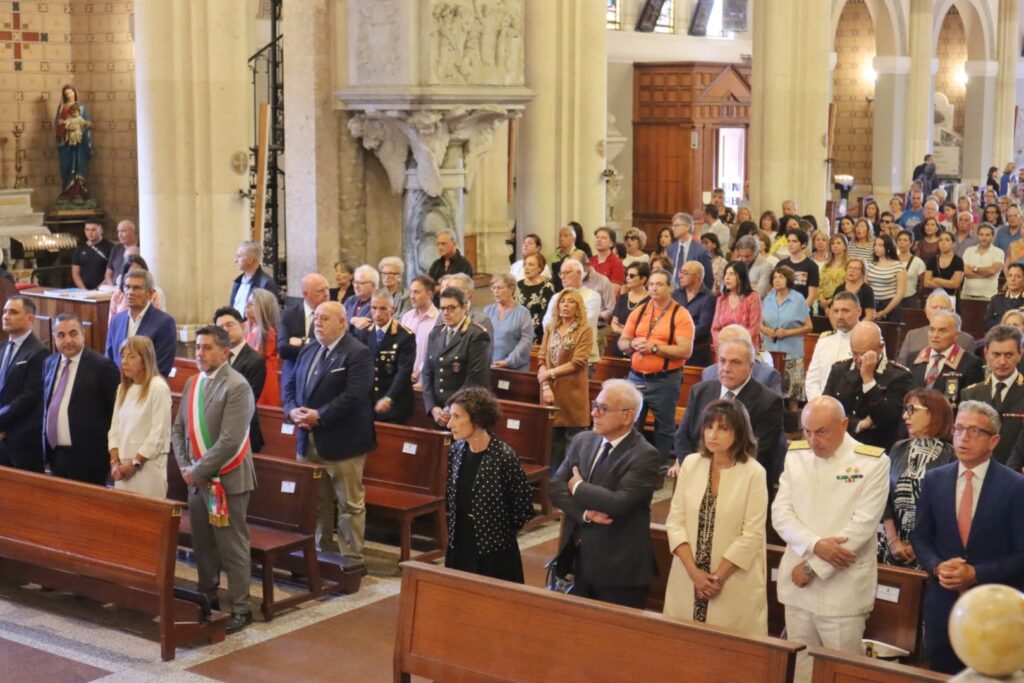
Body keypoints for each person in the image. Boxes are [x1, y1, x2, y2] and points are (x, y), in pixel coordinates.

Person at [772, 396, 890, 683]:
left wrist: (814, 567)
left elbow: (862, 527)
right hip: (798, 583)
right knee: (800, 668)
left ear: (844, 424)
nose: (813, 440)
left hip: (841, 587)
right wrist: (814, 545)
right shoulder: (796, 455)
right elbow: (781, 513)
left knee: (842, 672)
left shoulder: (873, 462)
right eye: (807, 431)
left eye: (821, 432)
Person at [912, 401, 1024, 674]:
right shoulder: (935, 479)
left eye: (974, 431)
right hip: (944, 605)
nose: (963, 437)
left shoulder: (1015, 487)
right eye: (959, 429)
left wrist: (975, 573)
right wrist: (937, 566)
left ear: (994, 440)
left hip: (997, 610)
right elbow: (921, 537)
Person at [171, 325, 257, 635]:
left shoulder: (237, 386)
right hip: (197, 480)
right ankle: (207, 599)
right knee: (203, 545)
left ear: (224, 352)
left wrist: (196, 471)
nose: (199, 353)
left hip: (228, 480)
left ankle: (240, 607)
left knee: (231, 546)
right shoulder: (193, 383)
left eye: (207, 348)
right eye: (197, 347)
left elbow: (230, 440)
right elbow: (178, 429)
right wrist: (185, 466)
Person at [548, 379, 662, 608]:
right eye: (595, 405)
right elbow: (555, 486)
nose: (593, 413)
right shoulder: (583, 440)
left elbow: (617, 502)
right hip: (579, 560)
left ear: (628, 416)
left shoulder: (644, 455)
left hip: (619, 569)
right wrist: (585, 514)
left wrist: (579, 487)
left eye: (603, 408)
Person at [664, 400, 767, 636]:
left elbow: (752, 534)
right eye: (709, 427)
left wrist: (715, 579)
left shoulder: (754, 473)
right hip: (687, 576)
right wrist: (694, 573)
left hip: (731, 581)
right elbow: (675, 521)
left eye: (722, 428)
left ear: (739, 433)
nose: (713, 435)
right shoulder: (691, 463)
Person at [282, 302, 376, 560]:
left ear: (342, 323)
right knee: (316, 504)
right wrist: (291, 411)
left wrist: (319, 416)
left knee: (349, 505)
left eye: (325, 319)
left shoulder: (358, 353)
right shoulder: (309, 349)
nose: (318, 323)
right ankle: (320, 556)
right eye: (317, 319)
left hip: (343, 443)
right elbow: (289, 385)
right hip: (308, 440)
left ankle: (351, 561)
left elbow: (355, 396)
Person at [443, 386, 534, 582]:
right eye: (450, 416)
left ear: (477, 419)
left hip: (493, 549)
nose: (450, 424)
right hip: (459, 541)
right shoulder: (456, 450)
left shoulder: (503, 456)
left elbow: (522, 508)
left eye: (457, 417)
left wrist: (496, 532)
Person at [673, 336, 784, 485]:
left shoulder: (768, 402)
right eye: (722, 361)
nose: (726, 368)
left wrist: (718, 474)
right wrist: (695, 469)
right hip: (696, 475)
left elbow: (757, 451)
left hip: (740, 481)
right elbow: (682, 436)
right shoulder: (699, 391)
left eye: (735, 362)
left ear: (751, 367)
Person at [617, 269, 695, 460]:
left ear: (670, 287)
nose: (654, 288)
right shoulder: (640, 311)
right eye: (651, 284)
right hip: (636, 376)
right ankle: (630, 465)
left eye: (659, 284)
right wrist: (631, 345)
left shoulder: (681, 314)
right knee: (630, 424)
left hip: (664, 379)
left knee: (664, 428)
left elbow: (685, 350)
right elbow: (622, 342)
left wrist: (654, 348)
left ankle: (658, 468)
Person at [878, 388, 955, 567]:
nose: (905, 416)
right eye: (906, 410)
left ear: (934, 413)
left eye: (912, 409)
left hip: (932, 551)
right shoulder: (899, 448)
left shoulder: (950, 455)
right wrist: (893, 540)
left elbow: (948, 510)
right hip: (892, 547)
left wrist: (919, 547)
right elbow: (884, 497)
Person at [43, 312, 120, 485]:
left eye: (73, 333)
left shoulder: (102, 367)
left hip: (89, 458)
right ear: (54, 338)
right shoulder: (49, 363)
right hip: (56, 455)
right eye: (61, 335)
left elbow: (116, 413)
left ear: (83, 334)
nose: (68, 340)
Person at [823, 321, 912, 451]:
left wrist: (868, 379)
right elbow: (827, 412)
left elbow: (885, 419)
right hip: (841, 445)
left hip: (875, 449)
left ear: (881, 347)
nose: (858, 359)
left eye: (864, 354)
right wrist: (858, 424)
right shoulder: (839, 370)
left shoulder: (899, 376)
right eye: (854, 353)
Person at [108, 336, 172, 498]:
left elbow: (158, 434)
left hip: (147, 468)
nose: (125, 361)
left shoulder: (158, 387)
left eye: (131, 357)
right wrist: (115, 463)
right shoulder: (123, 388)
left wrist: (135, 464)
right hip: (122, 468)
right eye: (123, 356)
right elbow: (114, 429)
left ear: (145, 359)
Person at [539, 289, 593, 473]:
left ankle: (571, 484)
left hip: (572, 395)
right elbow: (541, 359)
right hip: (550, 394)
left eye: (571, 302)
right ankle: (553, 486)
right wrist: (545, 386)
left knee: (573, 444)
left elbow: (577, 363)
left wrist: (549, 374)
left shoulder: (584, 330)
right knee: (552, 444)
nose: (565, 305)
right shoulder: (551, 328)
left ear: (578, 308)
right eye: (563, 301)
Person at [421, 287, 491, 427]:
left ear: (464, 307)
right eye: (443, 308)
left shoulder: (476, 335)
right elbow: (427, 373)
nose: (446, 313)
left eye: (452, 308)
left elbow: (474, 378)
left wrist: (449, 408)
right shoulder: (436, 333)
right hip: (438, 413)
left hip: (464, 410)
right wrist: (433, 408)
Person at [351, 289, 416, 424]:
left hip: (394, 404)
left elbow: (403, 372)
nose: (377, 314)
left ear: (392, 309)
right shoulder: (364, 333)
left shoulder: (404, 336)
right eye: (374, 308)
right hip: (369, 403)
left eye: (383, 309)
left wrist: (388, 398)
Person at [963, 325, 1024, 465]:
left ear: (1020, 354)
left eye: (1009, 355)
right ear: (986, 353)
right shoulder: (971, 393)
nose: (1002, 361)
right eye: (996, 354)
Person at [105, 269, 177, 378]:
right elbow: (109, 358)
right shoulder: (116, 320)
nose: (130, 292)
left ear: (150, 293)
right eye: (127, 287)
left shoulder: (164, 322)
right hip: (118, 388)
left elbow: (162, 366)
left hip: (148, 389)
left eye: (137, 288)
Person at [215, 306, 266, 453]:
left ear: (243, 326)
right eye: (220, 328)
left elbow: (248, 398)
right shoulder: (216, 358)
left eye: (229, 325)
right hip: (218, 430)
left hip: (244, 431)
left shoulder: (255, 360)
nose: (225, 330)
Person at [907, 310, 984, 406]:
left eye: (942, 331)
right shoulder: (914, 357)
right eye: (932, 329)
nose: (935, 335)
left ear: (956, 336)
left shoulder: (971, 364)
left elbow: (970, 406)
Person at [761, 265, 811, 411]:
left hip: (791, 353)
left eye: (781, 277)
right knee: (770, 390)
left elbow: (809, 327)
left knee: (792, 393)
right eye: (775, 277)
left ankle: (793, 426)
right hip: (770, 352)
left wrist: (787, 332)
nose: (777, 280)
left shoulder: (798, 299)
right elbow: (759, 323)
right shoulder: (768, 298)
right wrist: (765, 330)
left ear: (788, 279)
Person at [542, 259, 602, 364]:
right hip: (556, 356)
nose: (562, 276)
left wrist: (560, 326)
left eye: (567, 272)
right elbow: (547, 323)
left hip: (582, 358)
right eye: (561, 273)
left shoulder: (593, 296)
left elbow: (585, 323)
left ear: (579, 273)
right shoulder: (556, 297)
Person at [897, 291, 976, 366]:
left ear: (952, 311)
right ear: (926, 312)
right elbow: (901, 367)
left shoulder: (966, 340)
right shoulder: (912, 336)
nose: (938, 311)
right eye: (934, 307)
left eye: (943, 308)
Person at [805, 292, 859, 401]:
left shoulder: (869, 340)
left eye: (845, 311)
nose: (839, 316)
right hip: (822, 406)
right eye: (836, 311)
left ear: (859, 311)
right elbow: (812, 380)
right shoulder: (824, 340)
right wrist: (821, 405)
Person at [277, 272, 331, 379]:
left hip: (322, 376)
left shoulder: (334, 314)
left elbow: (330, 349)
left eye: (327, 289)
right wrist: (316, 346)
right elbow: (283, 349)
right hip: (294, 376)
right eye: (320, 290)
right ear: (305, 294)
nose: (326, 294)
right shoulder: (289, 315)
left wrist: (303, 342)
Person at [484, 274, 533, 371]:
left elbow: (526, 341)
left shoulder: (523, 313)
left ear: (512, 289)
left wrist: (509, 361)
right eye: (493, 288)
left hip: (514, 369)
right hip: (490, 367)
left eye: (500, 288)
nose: (496, 292)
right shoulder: (488, 311)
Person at [672, 260, 716, 367]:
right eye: (680, 272)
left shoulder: (709, 298)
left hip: (697, 351)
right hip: (674, 348)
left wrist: (678, 336)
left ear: (696, 277)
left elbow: (703, 328)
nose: (680, 276)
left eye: (685, 273)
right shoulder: (676, 294)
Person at [710, 261, 762, 351]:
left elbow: (754, 328)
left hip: (745, 349)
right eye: (726, 274)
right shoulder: (721, 299)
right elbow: (715, 328)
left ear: (741, 277)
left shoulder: (753, 297)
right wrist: (721, 343)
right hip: (724, 349)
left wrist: (735, 345)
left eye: (732, 274)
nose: (727, 277)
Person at [400, 275, 440, 386]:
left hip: (425, 381)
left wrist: (419, 371)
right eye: (411, 292)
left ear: (430, 294)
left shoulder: (438, 319)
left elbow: (434, 352)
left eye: (416, 292)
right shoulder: (407, 317)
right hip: (404, 378)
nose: (412, 296)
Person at [54, 84, 92, 201]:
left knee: (80, 165)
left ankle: (79, 192)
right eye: (66, 94)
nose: (69, 95)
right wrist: (65, 128)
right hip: (66, 144)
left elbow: (85, 123)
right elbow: (58, 123)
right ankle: (68, 191)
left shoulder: (81, 108)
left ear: (75, 93)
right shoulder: (61, 107)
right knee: (66, 166)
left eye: (71, 93)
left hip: (79, 144)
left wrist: (83, 127)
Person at [244, 288, 280, 407]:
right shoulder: (248, 328)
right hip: (250, 374)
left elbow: (255, 356)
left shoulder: (267, 332)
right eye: (247, 303)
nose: (247, 306)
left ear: (263, 309)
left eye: (251, 304)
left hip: (263, 378)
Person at [106, 253, 168, 322]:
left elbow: (160, 321)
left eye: (139, 273)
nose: (135, 277)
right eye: (131, 274)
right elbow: (112, 324)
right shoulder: (118, 294)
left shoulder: (154, 294)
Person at [609, 262, 650, 357]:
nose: (627, 278)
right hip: (618, 346)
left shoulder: (650, 301)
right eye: (626, 275)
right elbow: (614, 323)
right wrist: (625, 332)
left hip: (638, 349)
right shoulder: (623, 298)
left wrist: (625, 330)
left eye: (632, 276)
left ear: (643, 279)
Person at [665, 212, 714, 290]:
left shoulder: (701, 251)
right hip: (672, 294)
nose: (673, 228)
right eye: (673, 226)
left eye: (676, 225)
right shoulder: (670, 249)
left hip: (693, 294)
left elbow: (708, 280)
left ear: (688, 227)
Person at [514, 252, 556, 344]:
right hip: (517, 331)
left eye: (531, 264)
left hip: (537, 333)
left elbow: (546, 311)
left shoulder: (547, 286)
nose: (527, 267)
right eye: (525, 264)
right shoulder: (518, 285)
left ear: (540, 268)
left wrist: (530, 326)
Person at [229, 240, 278, 314]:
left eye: (239, 256)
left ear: (250, 260)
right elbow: (232, 309)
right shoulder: (238, 282)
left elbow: (269, 315)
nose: (235, 260)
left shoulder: (266, 283)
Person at [865, 234, 906, 323]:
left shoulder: (898, 266)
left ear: (888, 247)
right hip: (872, 304)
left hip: (891, 306)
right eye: (875, 245)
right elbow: (865, 287)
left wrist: (884, 312)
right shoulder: (870, 265)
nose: (876, 248)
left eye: (880, 245)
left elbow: (900, 293)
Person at [961, 223, 1003, 301]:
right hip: (967, 295)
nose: (984, 238)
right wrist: (985, 274)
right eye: (981, 234)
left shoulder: (999, 252)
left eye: (987, 235)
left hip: (988, 296)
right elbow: (965, 272)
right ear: (978, 235)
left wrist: (975, 269)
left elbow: (992, 271)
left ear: (993, 237)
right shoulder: (968, 250)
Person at [777, 228, 819, 306]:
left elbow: (811, 296)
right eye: (788, 241)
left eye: (794, 241)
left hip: (802, 311)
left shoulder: (812, 266)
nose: (790, 244)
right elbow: (775, 291)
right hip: (782, 310)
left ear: (803, 244)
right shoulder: (781, 265)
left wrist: (798, 311)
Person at [923, 231, 964, 301]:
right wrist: (948, 283)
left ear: (953, 244)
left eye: (947, 240)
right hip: (935, 297)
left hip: (952, 298)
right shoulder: (932, 260)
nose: (943, 243)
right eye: (941, 240)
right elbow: (926, 283)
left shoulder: (958, 261)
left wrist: (936, 279)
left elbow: (955, 284)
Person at [71, 221, 112, 290]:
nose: (90, 233)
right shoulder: (80, 248)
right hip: (83, 291)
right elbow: (75, 273)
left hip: (103, 290)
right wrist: (84, 290)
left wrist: (97, 289)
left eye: (93, 230)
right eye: (87, 230)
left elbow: (111, 273)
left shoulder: (110, 248)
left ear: (101, 230)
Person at [983, 262, 1024, 329]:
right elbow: (987, 323)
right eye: (1010, 275)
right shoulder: (996, 299)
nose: (1013, 279)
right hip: (999, 335)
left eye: (1018, 276)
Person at [103, 219, 139, 286]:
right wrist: (112, 288)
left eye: (123, 231)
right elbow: (108, 274)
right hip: (114, 288)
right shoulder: (116, 248)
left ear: (133, 232)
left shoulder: (142, 247)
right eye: (118, 231)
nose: (120, 235)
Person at [343, 264, 378, 329]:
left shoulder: (379, 303)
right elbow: (339, 319)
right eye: (355, 282)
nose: (356, 286)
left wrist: (347, 320)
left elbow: (364, 327)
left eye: (361, 283)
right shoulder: (350, 300)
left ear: (373, 285)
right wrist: (352, 320)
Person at [896, 230, 927, 304]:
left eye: (905, 240)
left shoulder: (918, 262)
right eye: (899, 240)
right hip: (892, 298)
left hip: (910, 299)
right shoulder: (891, 259)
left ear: (911, 243)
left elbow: (923, 283)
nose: (902, 242)